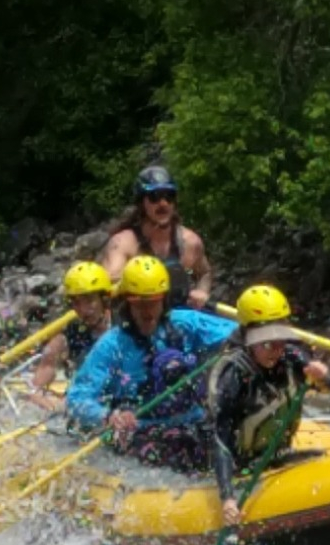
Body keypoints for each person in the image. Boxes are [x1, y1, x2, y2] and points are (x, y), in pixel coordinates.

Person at [65, 255, 236, 472]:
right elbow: (77, 399)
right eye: (139, 304)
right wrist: (109, 417)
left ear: (163, 300)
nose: (147, 311)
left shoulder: (184, 323)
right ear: (127, 303)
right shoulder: (111, 345)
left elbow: (238, 334)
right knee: (173, 453)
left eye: (153, 302)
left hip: (193, 421)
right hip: (142, 431)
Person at [207, 285, 330, 524]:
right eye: (266, 343)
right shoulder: (232, 374)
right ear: (248, 338)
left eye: (280, 341)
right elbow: (220, 438)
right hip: (241, 466)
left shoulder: (291, 357)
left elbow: (327, 387)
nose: (275, 350)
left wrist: (323, 377)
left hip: (278, 455)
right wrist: (227, 499)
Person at [99, 166, 215, 310]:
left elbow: (204, 272)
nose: (163, 204)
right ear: (142, 203)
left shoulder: (190, 242)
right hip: (138, 320)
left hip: (179, 319)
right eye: (155, 197)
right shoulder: (123, 244)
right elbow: (108, 287)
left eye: (169, 196)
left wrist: (202, 291)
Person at [25, 262, 114, 412]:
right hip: (84, 401)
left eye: (89, 300)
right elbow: (48, 365)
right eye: (77, 303)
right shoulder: (73, 332)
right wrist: (36, 393)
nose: (84, 310)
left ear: (104, 299)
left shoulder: (124, 327)